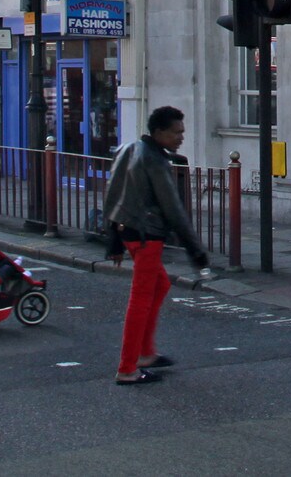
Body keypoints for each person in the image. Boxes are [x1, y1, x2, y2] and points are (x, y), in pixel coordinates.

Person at [102, 106, 212, 386]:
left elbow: (112, 190)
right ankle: (128, 367)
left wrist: (113, 238)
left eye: (182, 132)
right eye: (176, 133)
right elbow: (173, 209)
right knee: (140, 299)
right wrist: (196, 250)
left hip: (128, 230)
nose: (181, 138)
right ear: (160, 132)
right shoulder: (156, 161)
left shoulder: (129, 148)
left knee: (160, 285)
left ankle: (146, 353)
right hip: (147, 235)